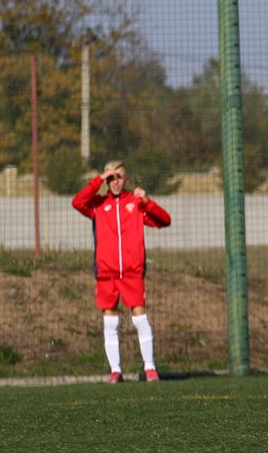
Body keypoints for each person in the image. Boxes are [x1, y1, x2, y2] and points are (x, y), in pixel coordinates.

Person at [72, 160, 171, 383]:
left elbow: (165, 221)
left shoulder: (135, 203)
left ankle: (150, 368)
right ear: (106, 180)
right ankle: (115, 370)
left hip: (131, 273)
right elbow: (77, 202)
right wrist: (98, 179)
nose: (115, 182)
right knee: (110, 321)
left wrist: (148, 202)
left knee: (139, 317)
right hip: (106, 274)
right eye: (111, 178)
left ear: (126, 179)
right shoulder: (97, 205)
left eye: (119, 177)